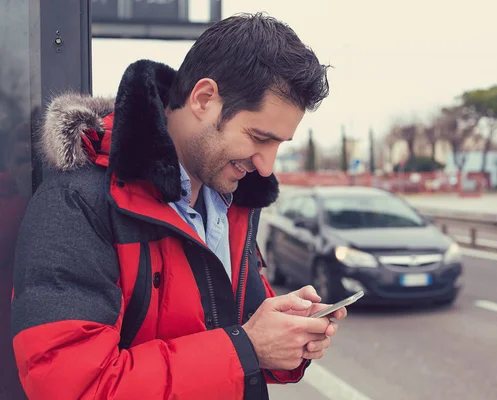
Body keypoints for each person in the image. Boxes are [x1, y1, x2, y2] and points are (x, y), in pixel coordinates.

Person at [11, 13, 346, 400]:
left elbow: (239, 337)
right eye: (258, 137)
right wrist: (247, 349)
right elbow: (73, 389)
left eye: (278, 145)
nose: (266, 166)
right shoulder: (76, 204)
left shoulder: (231, 203)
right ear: (203, 99)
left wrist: (286, 338)